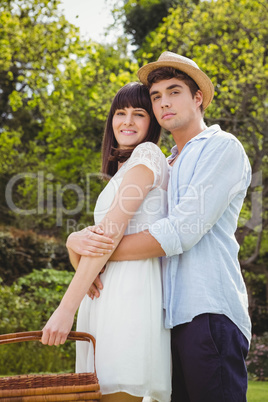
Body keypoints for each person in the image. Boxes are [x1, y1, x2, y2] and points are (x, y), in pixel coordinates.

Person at [68, 52, 252, 402]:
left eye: (175, 91)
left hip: (208, 312)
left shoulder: (221, 147)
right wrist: (77, 242)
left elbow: (182, 231)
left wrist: (100, 251)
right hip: (165, 319)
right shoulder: (164, 162)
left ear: (198, 98)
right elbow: (130, 222)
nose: (164, 102)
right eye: (156, 96)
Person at [41, 82, 172, 402]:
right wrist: (74, 243)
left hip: (130, 297)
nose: (127, 121)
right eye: (120, 113)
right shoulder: (122, 170)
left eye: (138, 114)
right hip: (104, 299)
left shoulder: (148, 154)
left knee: (119, 391)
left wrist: (64, 309)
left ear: (152, 122)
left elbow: (109, 235)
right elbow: (97, 257)